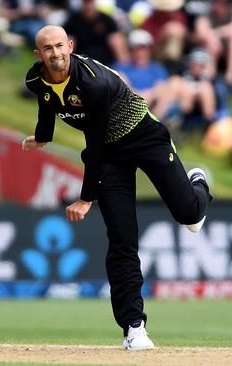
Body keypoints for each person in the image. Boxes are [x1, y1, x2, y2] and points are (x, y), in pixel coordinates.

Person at [21, 25, 212, 351]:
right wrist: (43, 136)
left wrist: (85, 199)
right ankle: (134, 328)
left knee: (189, 214)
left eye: (59, 47)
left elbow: (93, 143)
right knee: (122, 240)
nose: (55, 55)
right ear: (39, 55)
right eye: (47, 50)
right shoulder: (35, 79)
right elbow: (47, 102)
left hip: (143, 136)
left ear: (70, 45)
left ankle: (198, 182)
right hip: (110, 158)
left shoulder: (92, 83)